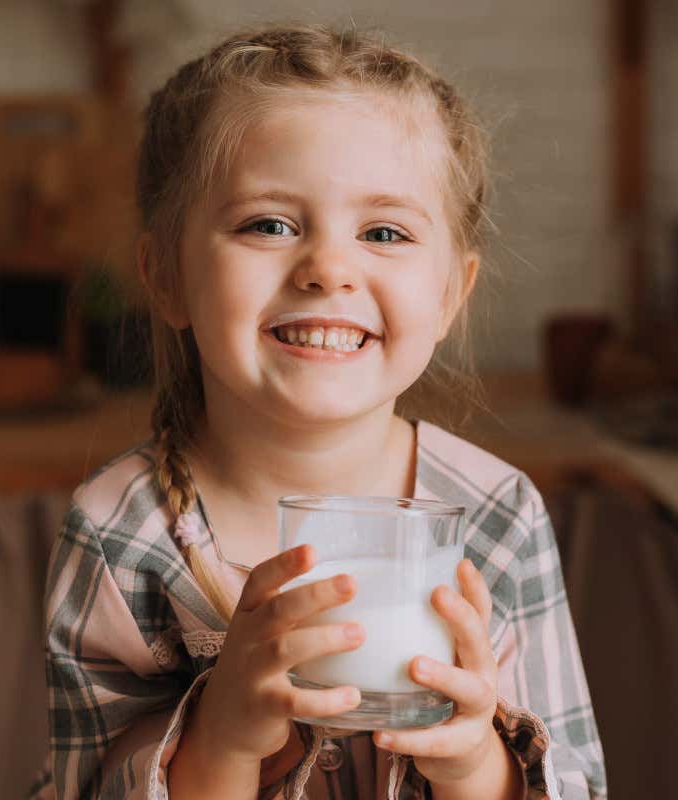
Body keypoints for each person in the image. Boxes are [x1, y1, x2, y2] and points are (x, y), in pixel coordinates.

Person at [31, 24, 607, 800]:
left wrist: (475, 763)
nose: (329, 268)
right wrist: (225, 738)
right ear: (164, 277)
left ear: (448, 297)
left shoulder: (496, 518)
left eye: (384, 232)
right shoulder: (120, 535)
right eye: (268, 224)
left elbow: (578, 784)